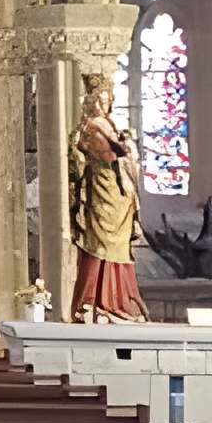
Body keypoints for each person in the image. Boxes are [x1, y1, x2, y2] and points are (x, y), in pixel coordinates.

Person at [68, 70, 146, 323]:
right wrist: (126, 148)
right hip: (102, 194)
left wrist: (127, 147)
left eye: (106, 98)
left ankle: (118, 301)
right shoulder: (91, 127)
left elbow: (121, 152)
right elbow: (108, 154)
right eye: (98, 99)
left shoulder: (108, 124)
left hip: (119, 195)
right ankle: (97, 302)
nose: (103, 104)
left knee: (120, 248)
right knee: (101, 245)